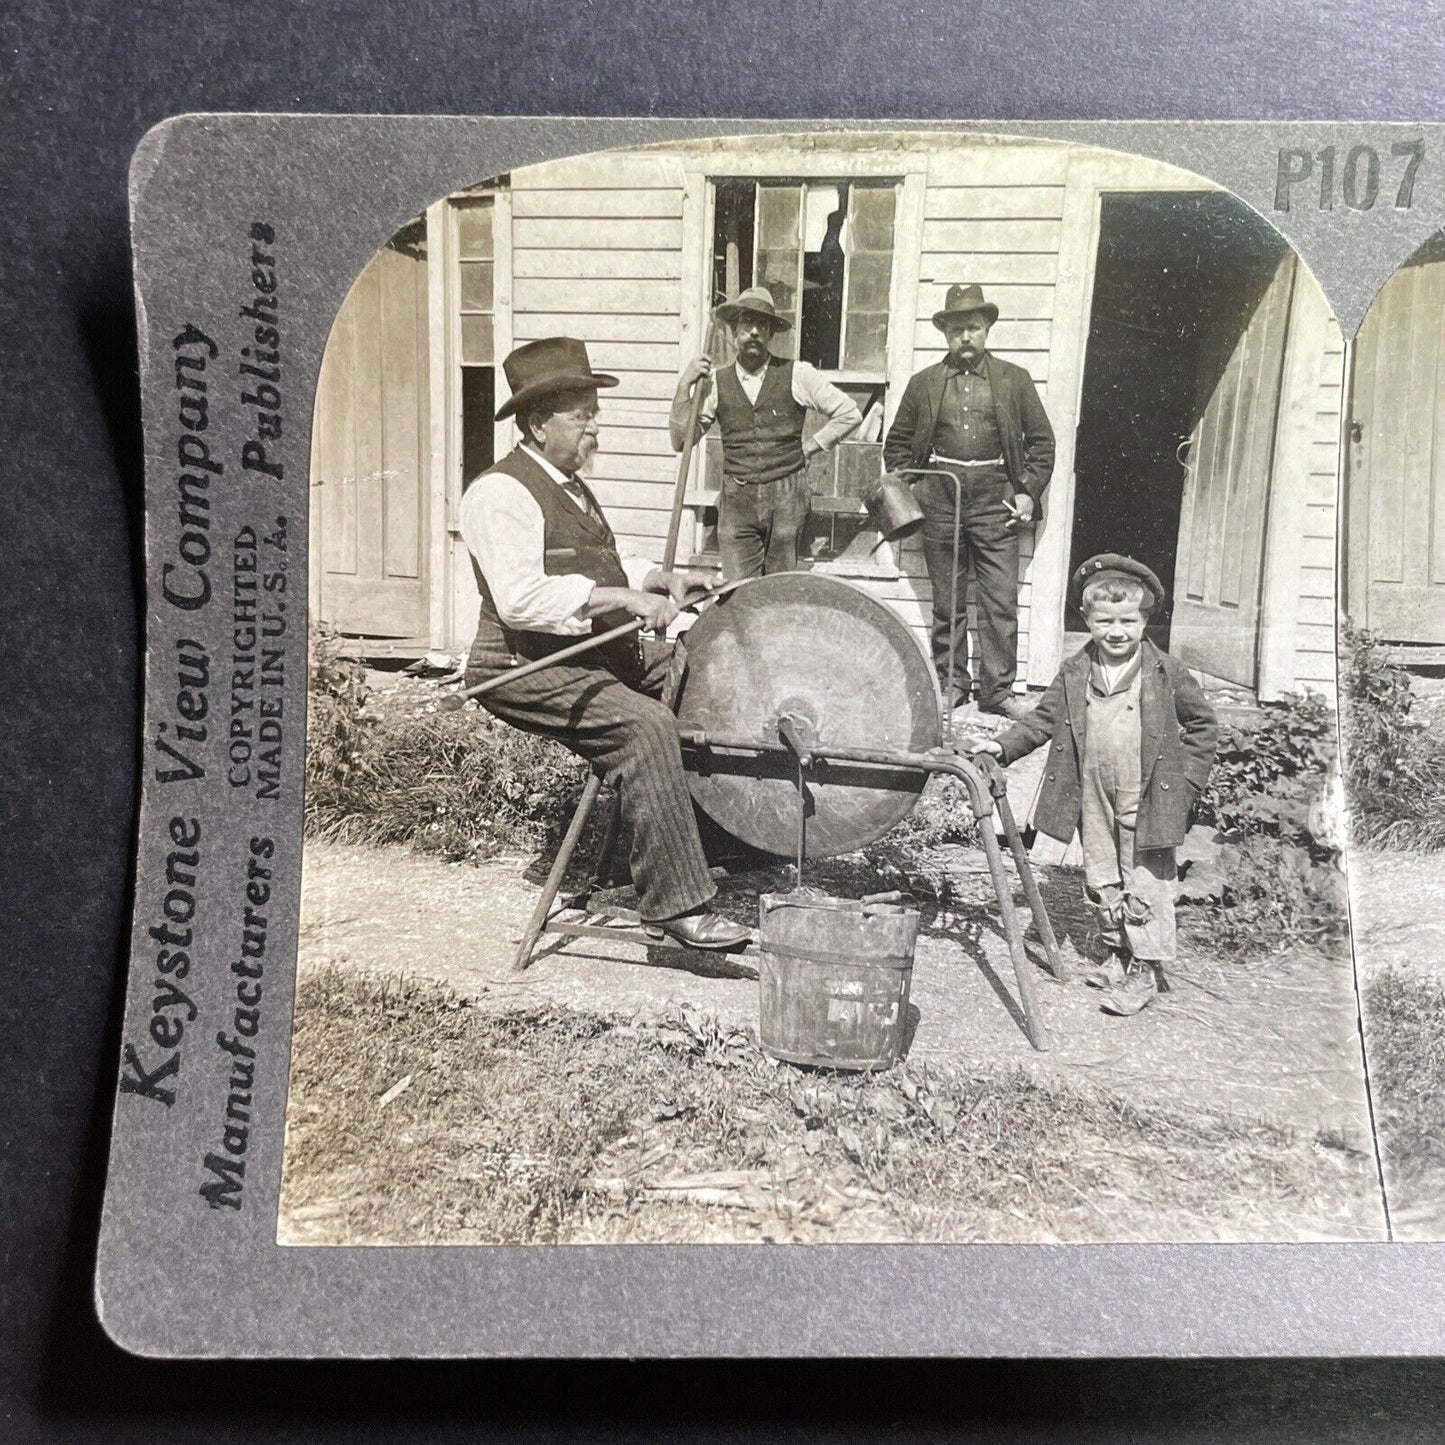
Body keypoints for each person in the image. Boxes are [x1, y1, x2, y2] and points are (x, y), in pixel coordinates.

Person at [460, 337, 750, 952]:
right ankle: (674, 906)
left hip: (586, 651)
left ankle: (718, 838)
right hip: (521, 664)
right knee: (644, 726)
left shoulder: (568, 485)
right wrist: (623, 601)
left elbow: (602, 563)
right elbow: (520, 599)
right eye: (583, 414)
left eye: (595, 412)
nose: (597, 426)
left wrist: (657, 579)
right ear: (539, 424)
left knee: (699, 671)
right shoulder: (499, 493)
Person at [971, 555, 1218, 1015]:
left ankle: (1147, 969)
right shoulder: (1076, 669)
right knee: (1102, 875)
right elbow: (1043, 720)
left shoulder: (1165, 672)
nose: (1117, 631)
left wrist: (1185, 786)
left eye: (1128, 620)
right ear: (1087, 620)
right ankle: (1118, 953)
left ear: (1146, 620)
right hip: (1091, 793)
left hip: (1146, 795)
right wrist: (1001, 747)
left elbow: (1203, 727)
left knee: (1145, 878)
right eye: (1105, 621)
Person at [884, 283, 1056, 719]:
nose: (965, 337)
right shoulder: (923, 384)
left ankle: (997, 691)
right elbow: (897, 445)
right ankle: (953, 684)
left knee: (1000, 600)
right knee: (948, 600)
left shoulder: (1013, 380)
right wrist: (917, 489)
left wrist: (1027, 492)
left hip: (996, 499)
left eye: (973, 328)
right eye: (957, 328)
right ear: (945, 333)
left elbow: (1042, 444)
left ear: (986, 331)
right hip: (941, 497)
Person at [670, 285, 861, 580]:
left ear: (771, 333)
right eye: (747, 324)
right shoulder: (716, 382)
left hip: (787, 498)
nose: (755, 332)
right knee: (739, 591)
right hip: (736, 501)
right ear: (735, 331)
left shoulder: (798, 373)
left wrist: (811, 446)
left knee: (779, 589)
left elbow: (849, 412)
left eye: (763, 325)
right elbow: (681, 440)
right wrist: (685, 385)